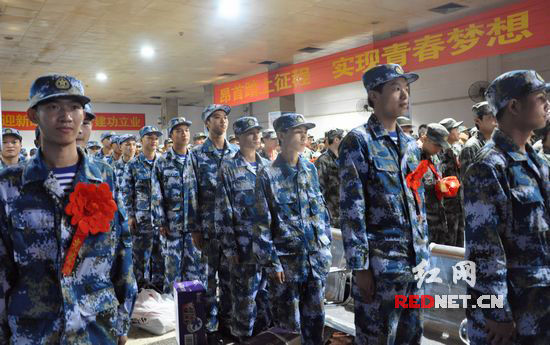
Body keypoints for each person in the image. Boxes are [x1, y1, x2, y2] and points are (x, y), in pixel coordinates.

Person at [0, 73, 136, 344]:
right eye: (53, 106)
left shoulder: (104, 176)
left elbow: (123, 251)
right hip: (34, 330)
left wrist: (122, 321)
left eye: (74, 107)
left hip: (96, 326)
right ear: (33, 115)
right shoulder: (11, 185)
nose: (66, 116)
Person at [339, 64, 428, 345]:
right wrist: (360, 266)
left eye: (406, 89)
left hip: (414, 266)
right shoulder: (359, 141)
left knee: (411, 335)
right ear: (374, 95)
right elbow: (352, 207)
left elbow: (417, 202)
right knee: (376, 338)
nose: (404, 95)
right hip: (379, 267)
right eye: (395, 88)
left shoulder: (412, 145)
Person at [464, 70, 550, 344]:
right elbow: (484, 248)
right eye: (540, 98)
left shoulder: (539, 162)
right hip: (512, 310)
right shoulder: (488, 166)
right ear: (514, 106)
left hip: (540, 302)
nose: (547, 104)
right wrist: (495, 310)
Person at [254, 113, 332, 345]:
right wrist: (272, 262)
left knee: (316, 321)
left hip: (314, 260)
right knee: (288, 327)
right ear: (281, 135)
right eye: (298, 131)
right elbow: (262, 224)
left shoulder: (310, 169)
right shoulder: (267, 174)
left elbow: (321, 212)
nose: (304, 135)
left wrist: (326, 249)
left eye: (305, 131)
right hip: (287, 265)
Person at [216, 117, 271, 342]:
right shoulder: (228, 167)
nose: (256, 136)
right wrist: (230, 248)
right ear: (238, 138)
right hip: (243, 248)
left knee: (266, 298)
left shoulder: (267, 166)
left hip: (267, 248)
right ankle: (242, 338)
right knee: (244, 300)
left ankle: (264, 336)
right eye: (250, 133)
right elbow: (223, 211)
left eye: (258, 132)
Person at [190, 104, 238, 341]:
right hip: (208, 229)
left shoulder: (235, 153)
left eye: (225, 118)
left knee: (230, 281)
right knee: (208, 280)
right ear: (207, 123)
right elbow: (192, 193)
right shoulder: (197, 155)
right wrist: (195, 228)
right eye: (216, 118)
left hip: (231, 231)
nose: (222, 122)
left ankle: (227, 324)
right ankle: (208, 326)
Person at [151, 117, 205, 294]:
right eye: (179, 131)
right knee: (172, 271)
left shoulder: (196, 159)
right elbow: (156, 192)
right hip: (172, 226)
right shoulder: (162, 161)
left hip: (194, 228)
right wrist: (160, 220)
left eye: (187, 130)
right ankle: (170, 314)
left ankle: (193, 314)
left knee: (195, 271)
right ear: (171, 136)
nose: (184, 134)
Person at [122, 126, 164, 291]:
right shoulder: (133, 164)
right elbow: (126, 192)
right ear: (141, 141)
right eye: (149, 138)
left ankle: (159, 289)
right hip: (142, 219)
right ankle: (140, 289)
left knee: (160, 256)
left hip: (161, 219)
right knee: (140, 257)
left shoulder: (162, 162)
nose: (153, 141)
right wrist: (130, 216)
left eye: (156, 138)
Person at [420, 124, 450, 244]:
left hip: (439, 217)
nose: (439, 149)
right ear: (425, 138)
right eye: (436, 145)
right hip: (425, 221)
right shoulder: (413, 159)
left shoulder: (435, 158)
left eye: (441, 146)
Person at [438, 117, 465, 247]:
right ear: (448, 133)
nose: (458, 132)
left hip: (457, 204)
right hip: (448, 206)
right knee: (450, 243)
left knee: (460, 242)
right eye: (456, 129)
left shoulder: (452, 150)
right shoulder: (440, 153)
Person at [314, 128, 344, 228]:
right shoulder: (323, 160)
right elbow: (319, 188)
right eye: (342, 138)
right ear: (336, 139)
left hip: (343, 211)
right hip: (331, 213)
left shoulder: (343, 157)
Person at [459, 101, 497, 176]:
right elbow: (467, 180)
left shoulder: (495, 141)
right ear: (477, 121)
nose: (495, 120)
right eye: (490, 117)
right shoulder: (471, 147)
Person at [113, 134, 137, 201]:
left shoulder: (142, 166)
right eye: (127, 144)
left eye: (134, 144)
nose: (131, 147)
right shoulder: (114, 167)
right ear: (120, 147)